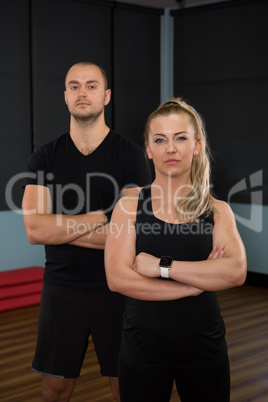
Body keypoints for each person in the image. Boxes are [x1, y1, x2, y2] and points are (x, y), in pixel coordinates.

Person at [22, 61, 151, 402]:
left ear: (106, 96)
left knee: (126, 383)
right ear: (65, 96)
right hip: (61, 288)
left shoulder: (130, 155)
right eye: (75, 86)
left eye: (92, 86)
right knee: (56, 388)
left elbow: (132, 234)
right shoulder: (45, 157)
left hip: (119, 285)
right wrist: (103, 216)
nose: (83, 92)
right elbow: (35, 230)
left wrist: (60, 228)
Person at [104, 98, 247, 402]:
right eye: (160, 139)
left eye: (180, 138)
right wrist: (194, 285)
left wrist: (161, 267)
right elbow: (118, 279)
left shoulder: (217, 210)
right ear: (148, 149)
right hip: (143, 352)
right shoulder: (128, 207)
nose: (170, 148)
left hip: (204, 351)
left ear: (196, 145)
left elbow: (235, 272)